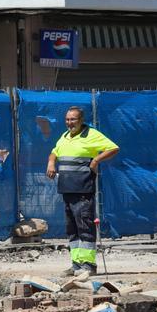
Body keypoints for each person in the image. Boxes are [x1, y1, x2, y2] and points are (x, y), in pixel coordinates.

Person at [46, 107, 119, 278]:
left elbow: (113, 148)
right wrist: (51, 162)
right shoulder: (65, 136)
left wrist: (96, 160)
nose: (69, 123)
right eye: (67, 119)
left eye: (73, 120)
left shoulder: (91, 134)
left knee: (84, 226)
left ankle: (88, 265)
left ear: (81, 120)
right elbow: (54, 151)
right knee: (72, 228)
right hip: (67, 189)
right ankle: (76, 264)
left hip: (83, 189)